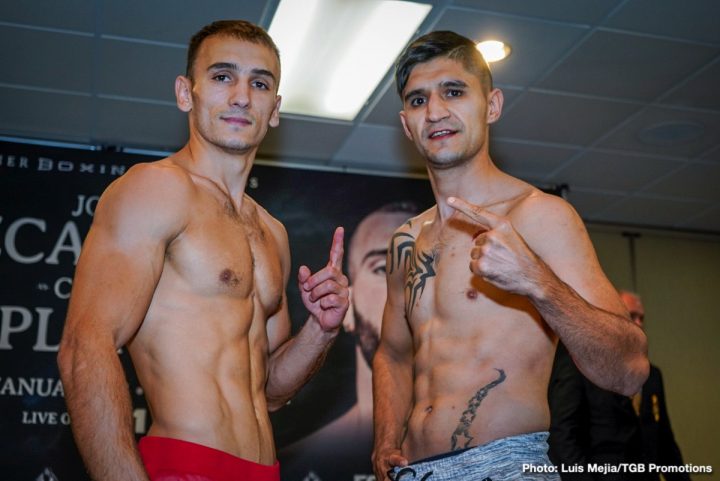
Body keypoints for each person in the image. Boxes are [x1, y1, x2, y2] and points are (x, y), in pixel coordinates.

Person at [57, 20, 349, 481]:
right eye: (221, 76)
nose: (240, 96)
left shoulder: (272, 232)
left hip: (264, 470)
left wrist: (322, 331)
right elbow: (84, 347)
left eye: (259, 83)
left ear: (274, 109)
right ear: (185, 92)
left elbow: (270, 390)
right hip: (184, 465)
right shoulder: (157, 189)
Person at [372, 31, 649, 481]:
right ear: (406, 124)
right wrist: (385, 439)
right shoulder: (406, 239)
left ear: (493, 105)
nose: (436, 111)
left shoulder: (540, 215)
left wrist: (538, 282)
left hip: (505, 467)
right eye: (418, 100)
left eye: (454, 92)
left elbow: (629, 371)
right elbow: (393, 353)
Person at [279, 202, 420, 480]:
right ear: (348, 305)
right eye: (382, 268)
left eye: (420, 266)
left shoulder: (485, 453)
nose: (404, 283)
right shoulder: (299, 465)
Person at [548, 291, 690, 481]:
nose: (639, 323)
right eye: (631, 316)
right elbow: (563, 437)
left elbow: (665, 444)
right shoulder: (582, 369)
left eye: (642, 317)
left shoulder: (652, 376)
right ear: (611, 319)